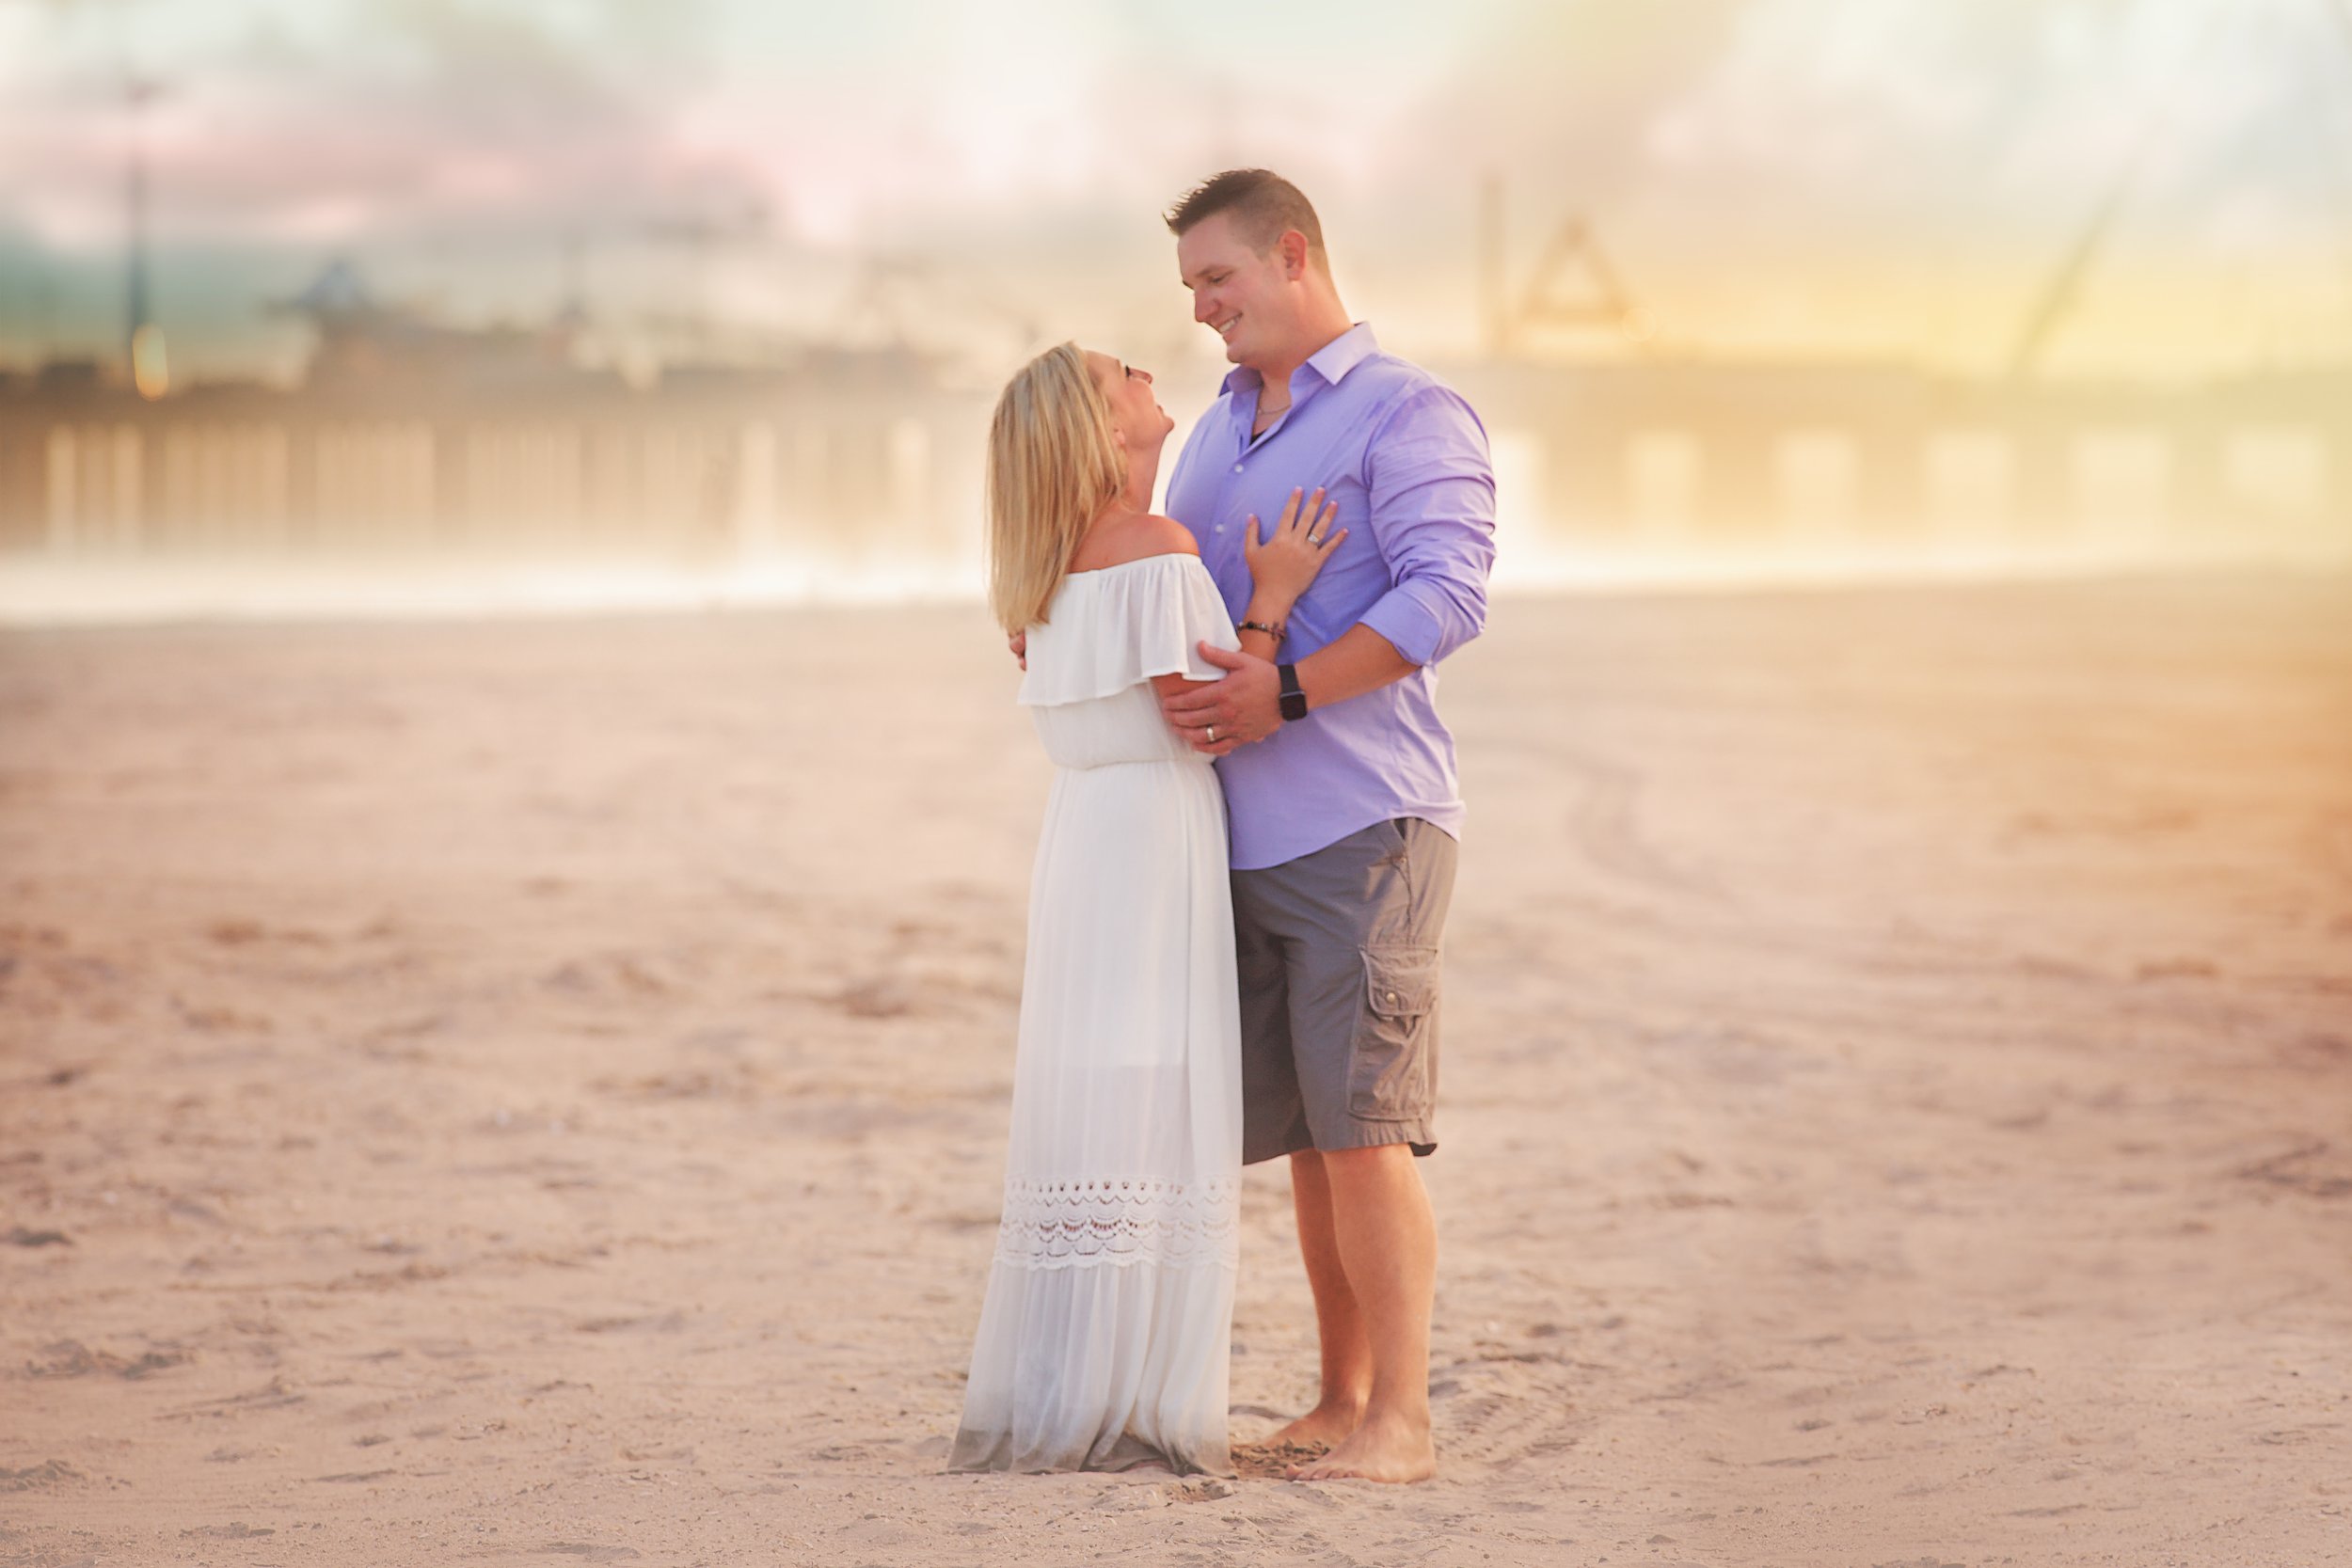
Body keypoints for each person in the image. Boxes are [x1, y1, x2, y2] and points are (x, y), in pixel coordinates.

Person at [1155, 169, 1497, 1485]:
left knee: (1363, 1126)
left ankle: (1400, 1421)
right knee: (1309, 1136)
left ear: (1293, 254)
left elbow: (1447, 598)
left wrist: (1287, 685)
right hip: (1240, 837)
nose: (1202, 311)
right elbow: (1170, 572)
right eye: (1191, 290)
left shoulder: (1408, 411)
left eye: (1218, 281)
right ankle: (1339, 1396)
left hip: (1367, 818)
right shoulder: (1216, 429)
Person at [948, 341, 1343, 1475]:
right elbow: (1210, 715)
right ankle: (1136, 1395)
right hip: (1153, 836)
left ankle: (1072, 1375)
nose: (1148, 377)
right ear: (1100, 420)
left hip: (1081, 843)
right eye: (1127, 370)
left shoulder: (1043, 570)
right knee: (1155, 1104)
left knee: (1095, 1097)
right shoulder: (1159, 550)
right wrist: (1268, 603)